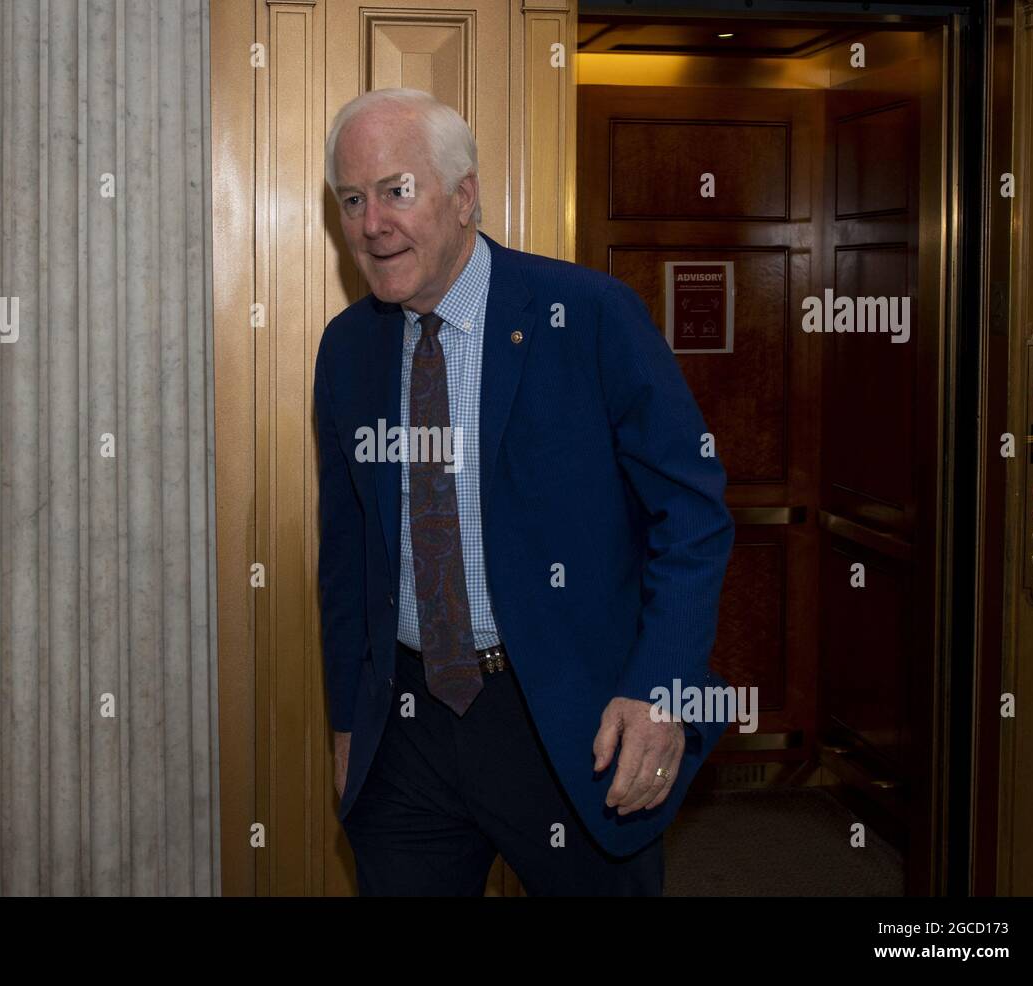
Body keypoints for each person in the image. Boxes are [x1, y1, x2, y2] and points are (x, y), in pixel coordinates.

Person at [314, 87, 736, 896]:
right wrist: (346, 726)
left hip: (574, 723)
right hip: (406, 731)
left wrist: (659, 690)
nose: (372, 223)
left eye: (397, 191)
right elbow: (347, 557)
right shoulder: (347, 351)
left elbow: (693, 513)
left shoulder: (588, 315)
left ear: (464, 195)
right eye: (352, 199)